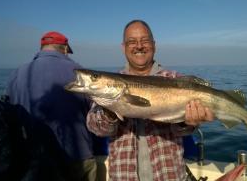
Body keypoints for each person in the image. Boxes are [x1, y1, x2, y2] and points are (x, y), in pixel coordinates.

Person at [86, 20, 214, 181]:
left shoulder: (175, 79)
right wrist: (111, 108)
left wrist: (189, 122)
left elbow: (183, 131)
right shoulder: (109, 84)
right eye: (132, 41)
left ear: (154, 45)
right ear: (123, 47)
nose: (139, 46)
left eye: (145, 41)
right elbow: (96, 127)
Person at [6, 31, 107, 181]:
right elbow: (96, 115)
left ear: (42, 47)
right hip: (78, 157)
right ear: (65, 48)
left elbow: (9, 116)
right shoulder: (80, 73)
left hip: (32, 160)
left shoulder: (16, 74)